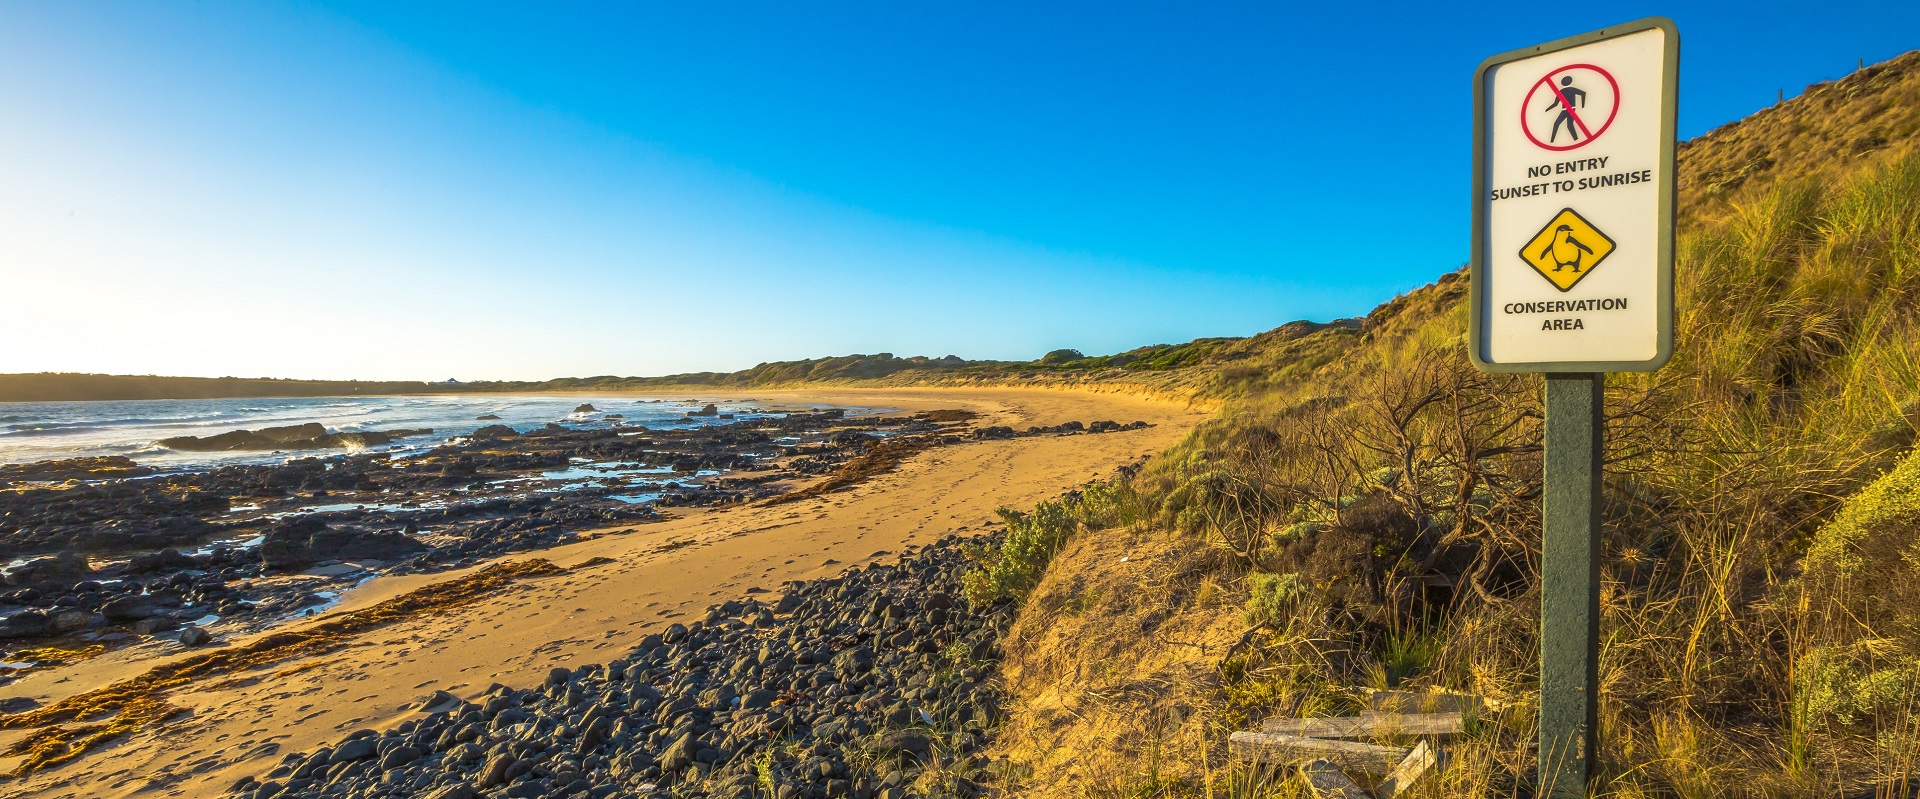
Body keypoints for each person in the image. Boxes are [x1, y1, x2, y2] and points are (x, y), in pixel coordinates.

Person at [1542, 75, 1587, 143]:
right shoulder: (1568, 90)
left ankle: (1575, 140)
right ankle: (1553, 141)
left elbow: (1555, 104)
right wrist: (1582, 104)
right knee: (1567, 125)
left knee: (1560, 124)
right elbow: (1583, 93)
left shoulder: (1562, 91)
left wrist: (1548, 109)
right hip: (1569, 110)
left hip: (1568, 110)